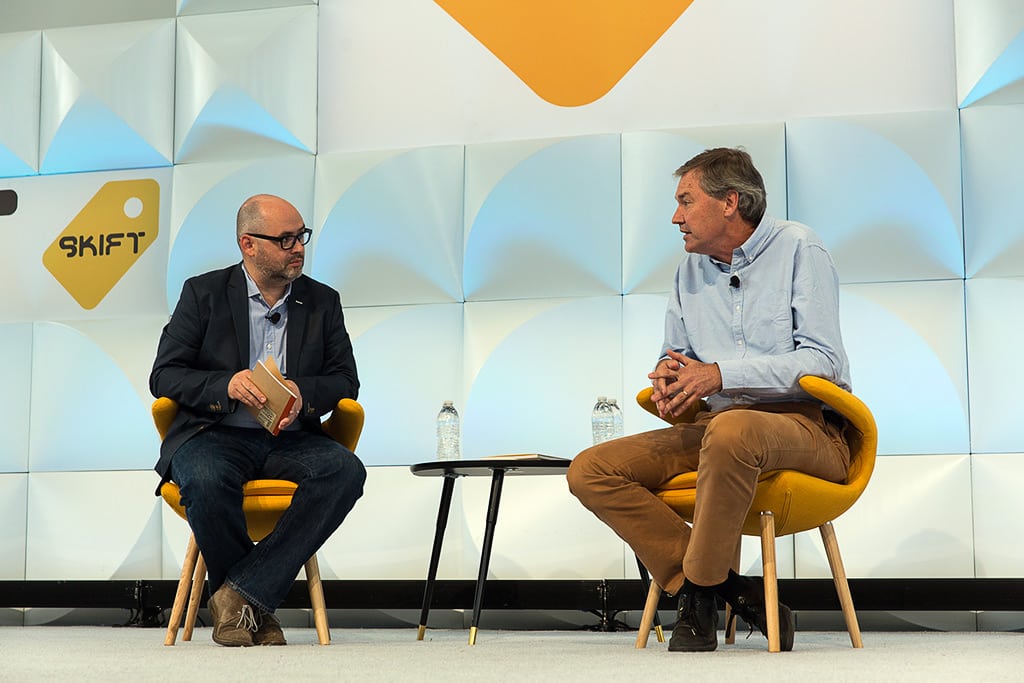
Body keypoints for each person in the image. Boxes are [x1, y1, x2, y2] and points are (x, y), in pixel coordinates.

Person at [567, 148, 851, 652]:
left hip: (806, 428)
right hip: (716, 427)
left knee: (732, 429)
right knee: (590, 469)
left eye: (685, 201)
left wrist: (721, 374)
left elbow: (822, 360)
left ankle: (698, 596)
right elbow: (677, 356)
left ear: (730, 203)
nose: (675, 217)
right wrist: (669, 379)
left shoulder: (799, 248)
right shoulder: (689, 271)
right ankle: (731, 590)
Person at [150, 194, 365, 647]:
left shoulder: (323, 301)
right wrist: (225, 385)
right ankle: (254, 608)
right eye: (285, 239)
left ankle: (238, 597)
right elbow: (164, 375)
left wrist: (303, 392)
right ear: (249, 244)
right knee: (205, 477)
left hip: (290, 437)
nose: (298, 248)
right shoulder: (202, 293)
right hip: (216, 433)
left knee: (345, 471)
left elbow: (346, 381)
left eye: (301, 237)